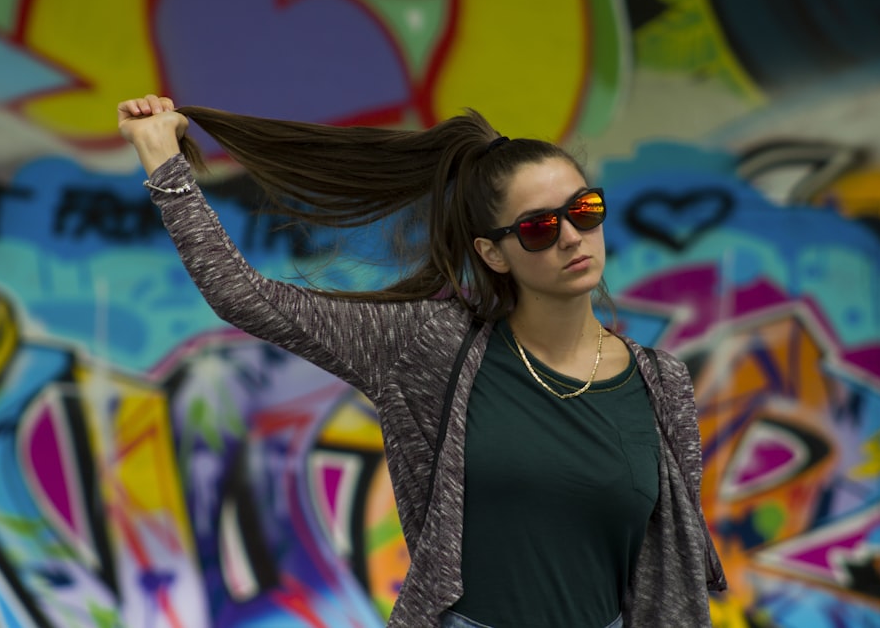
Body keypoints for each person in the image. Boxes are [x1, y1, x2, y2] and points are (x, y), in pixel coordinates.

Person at [117, 94, 726, 627]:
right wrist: (162, 161)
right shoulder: (431, 348)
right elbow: (244, 296)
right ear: (493, 253)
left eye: (584, 211)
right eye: (539, 228)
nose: (570, 236)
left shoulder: (660, 381)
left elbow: (671, 561)